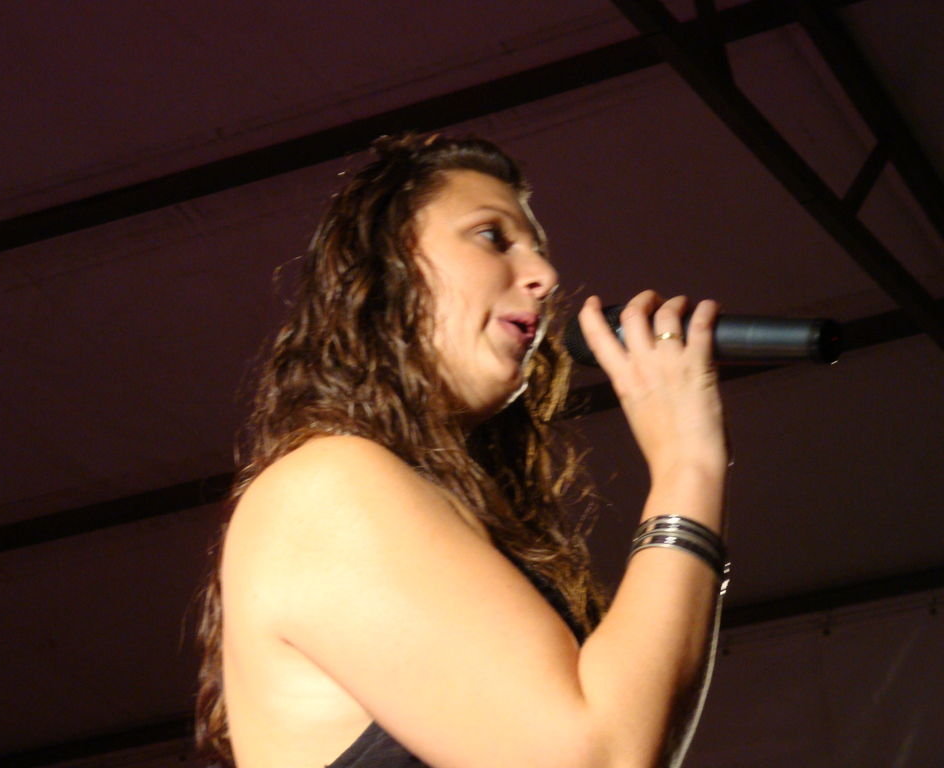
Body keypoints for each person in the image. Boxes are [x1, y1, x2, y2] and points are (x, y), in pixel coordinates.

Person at [196, 133, 728, 768]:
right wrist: (686, 465)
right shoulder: (325, 488)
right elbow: (599, 756)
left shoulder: (410, 503)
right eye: (491, 237)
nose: (545, 276)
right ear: (391, 267)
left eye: (538, 249)